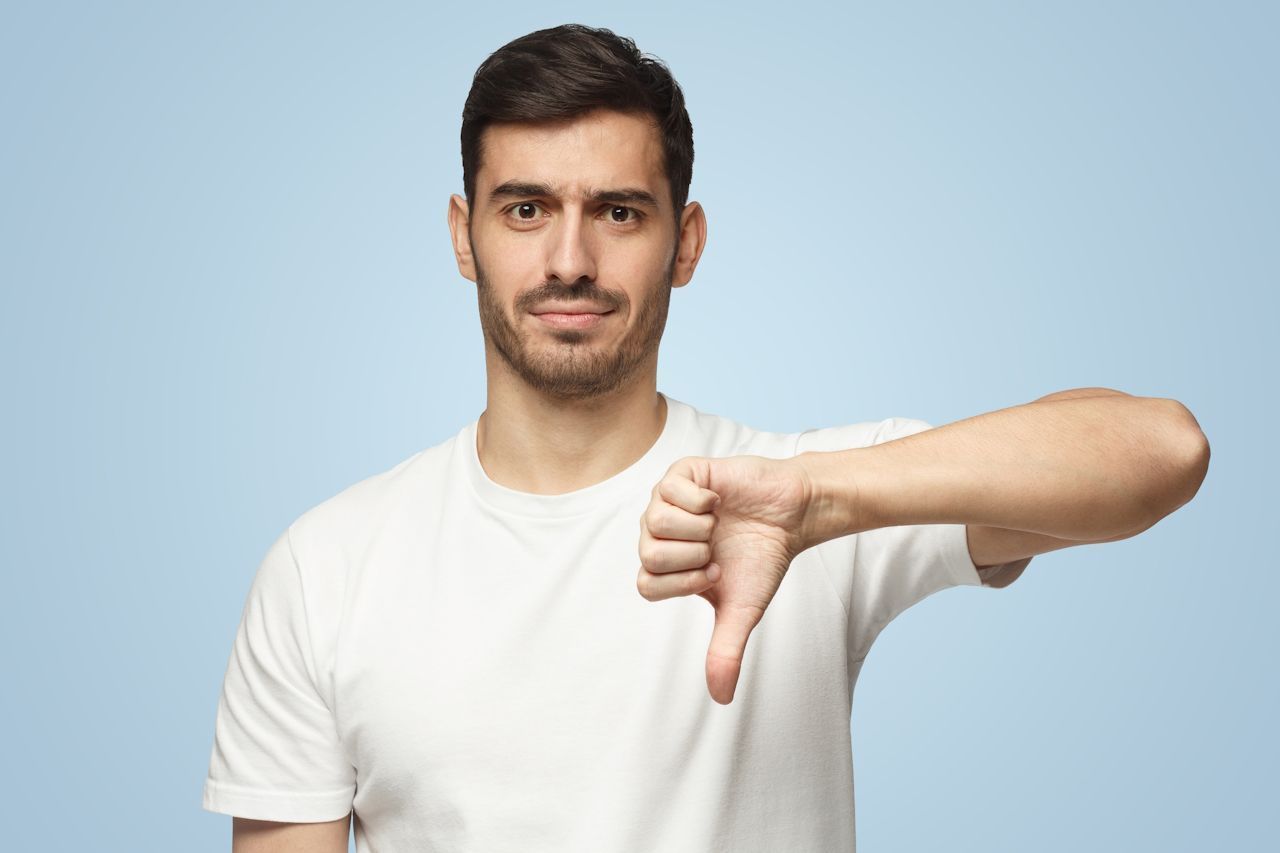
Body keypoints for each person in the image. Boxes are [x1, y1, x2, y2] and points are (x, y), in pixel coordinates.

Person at [201, 23, 1209, 853]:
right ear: (464, 234)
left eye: (619, 212)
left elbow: (1159, 452)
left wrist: (822, 501)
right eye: (524, 208)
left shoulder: (801, 498)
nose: (569, 257)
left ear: (683, 243)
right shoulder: (326, 568)